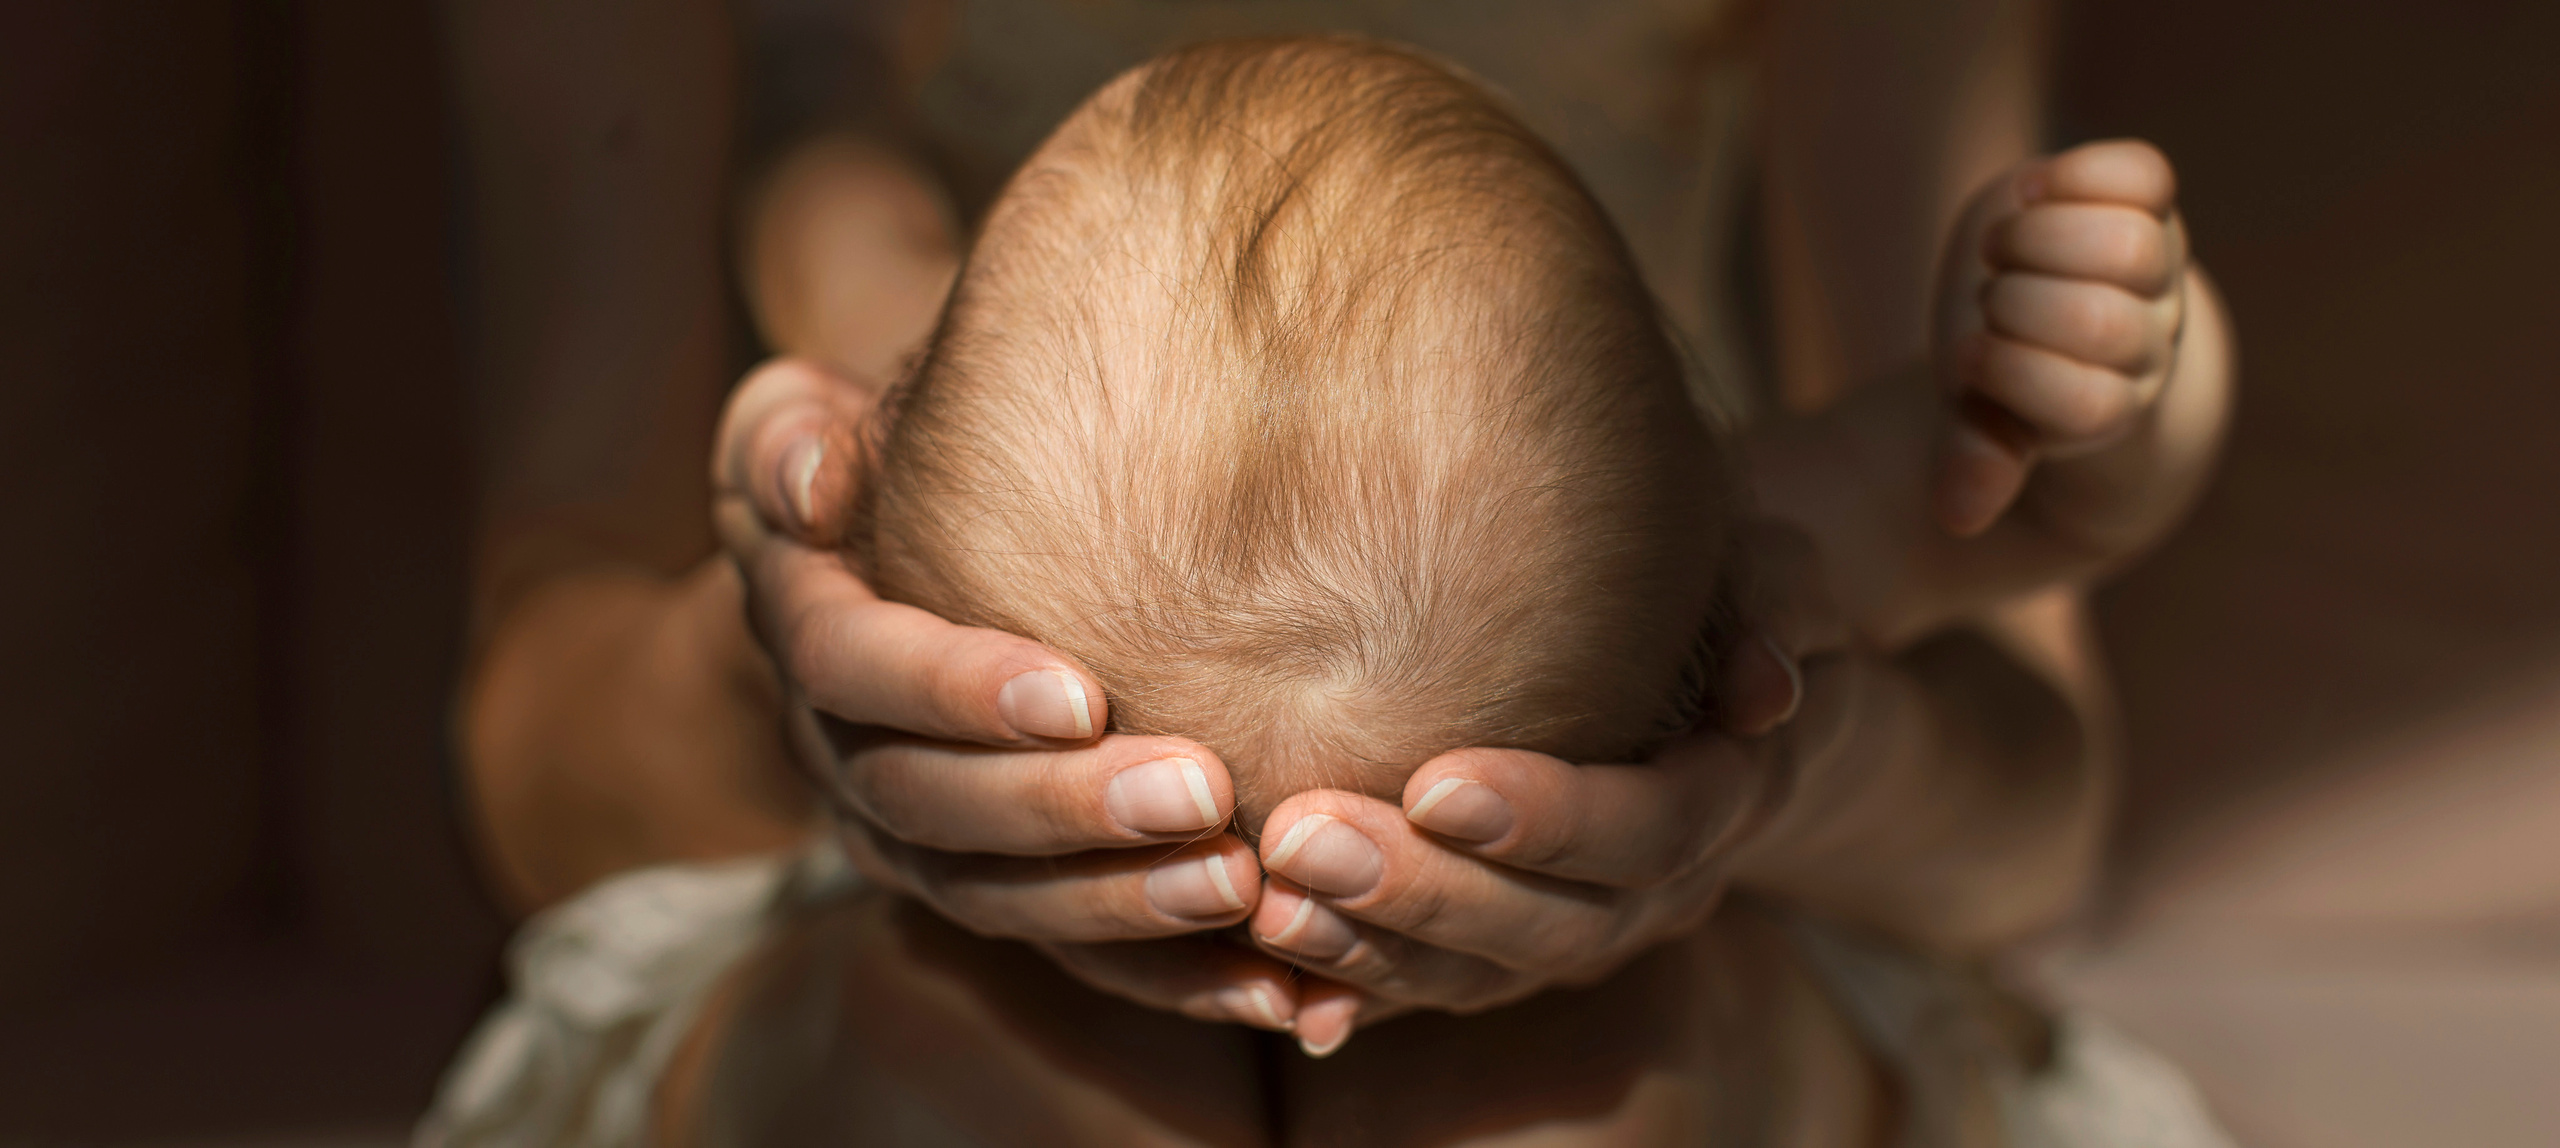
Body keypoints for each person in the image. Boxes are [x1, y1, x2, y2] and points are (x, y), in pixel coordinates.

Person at [433, 2, 2233, 1143]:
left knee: (1616, 1101)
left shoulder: (1716, 547)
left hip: (1666, 975)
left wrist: (2096, 374)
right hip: (905, 954)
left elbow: (2029, 527)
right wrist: (787, 665)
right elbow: (2022, 495)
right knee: (915, 1073)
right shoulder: (930, 394)